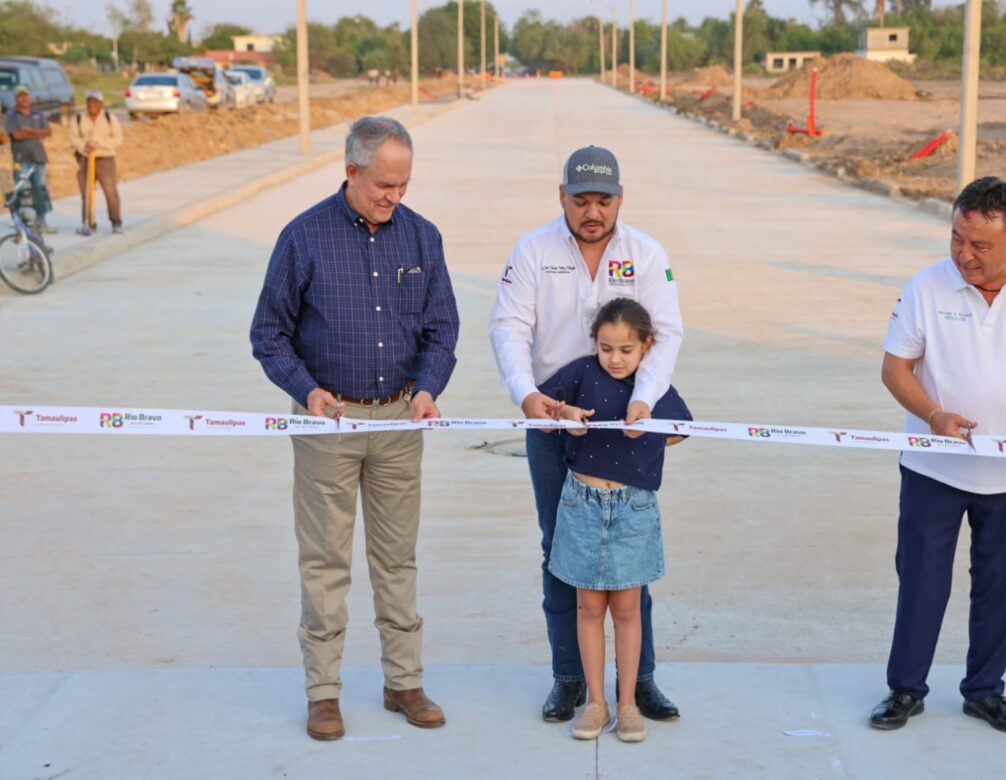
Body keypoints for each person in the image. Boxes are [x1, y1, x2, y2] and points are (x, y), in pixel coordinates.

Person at [250, 116, 459, 741]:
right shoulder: (304, 237)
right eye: (383, 186)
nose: (394, 197)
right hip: (327, 423)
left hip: (400, 420)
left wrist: (427, 388)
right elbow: (268, 332)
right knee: (325, 561)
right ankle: (323, 692)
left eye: (403, 184)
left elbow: (442, 328)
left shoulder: (422, 238)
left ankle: (404, 682)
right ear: (351, 172)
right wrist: (306, 389)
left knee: (397, 560)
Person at [870, 176, 1006, 734]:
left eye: (980, 246)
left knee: (1000, 587)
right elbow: (895, 368)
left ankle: (985, 692)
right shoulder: (927, 286)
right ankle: (904, 690)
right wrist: (933, 416)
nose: (963, 256)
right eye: (956, 239)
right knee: (921, 582)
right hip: (934, 467)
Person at [489, 145, 684, 723]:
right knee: (561, 554)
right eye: (581, 201)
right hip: (554, 425)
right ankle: (568, 678)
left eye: (603, 201)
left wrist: (645, 400)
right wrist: (528, 397)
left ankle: (640, 681)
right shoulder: (533, 251)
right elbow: (508, 326)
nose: (591, 212)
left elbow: (668, 333)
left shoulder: (646, 254)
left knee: (631, 557)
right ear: (562, 199)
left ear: (620, 199)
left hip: (628, 430)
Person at [540, 298, 691, 744]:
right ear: (595, 344)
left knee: (627, 610)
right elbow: (544, 407)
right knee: (588, 608)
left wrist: (651, 426)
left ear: (646, 346)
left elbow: (684, 427)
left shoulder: (654, 383)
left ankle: (626, 703)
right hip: (582, 504)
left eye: (626, 349)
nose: (615, 358)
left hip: (633, 508)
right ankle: (595, 704)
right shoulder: (581, 373)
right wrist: (564, 414)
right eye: (607, 348)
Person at [68, 90, 123, 236]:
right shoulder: (79, 118)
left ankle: (116, 222)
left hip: (105, 158)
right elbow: (73, 138)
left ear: (101, 103)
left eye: (96, 102)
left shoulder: (109, 118)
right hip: (85, 159)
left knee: (110, 191)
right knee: (86, 192)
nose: (92, 104)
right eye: (90, 101)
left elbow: (118, 139)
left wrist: (99, 143)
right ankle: (88, 222)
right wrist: (84, 145)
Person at [2, 84, 55, 235]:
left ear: (30, 96)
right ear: (15, 98)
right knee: (23, 193)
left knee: (40, 192)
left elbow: (49, 131)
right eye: (20, 95)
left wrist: (30, 130)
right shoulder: (11, 116)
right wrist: (38, 133)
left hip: (39, 158)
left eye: (26, 95)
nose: (24, 98)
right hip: (22, 159)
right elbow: (16, 135)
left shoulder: (37, 114)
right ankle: (24, 228)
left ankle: (41, 223)